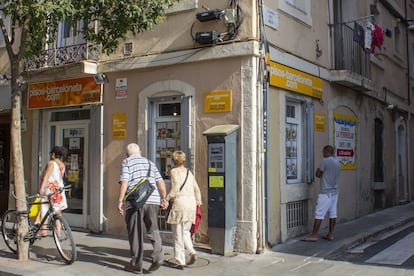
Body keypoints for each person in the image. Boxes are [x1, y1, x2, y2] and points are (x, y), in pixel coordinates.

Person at [117, 143, 168, 274]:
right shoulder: (150, 162)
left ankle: (136, 265)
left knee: (135, 233)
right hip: (153, 199)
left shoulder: (127, 162)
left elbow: (124, 180)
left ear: (127, 154)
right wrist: (164, 198)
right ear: (140, 152)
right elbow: (160, 181)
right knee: (153, 229)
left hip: (135, 202)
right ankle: (158, 256)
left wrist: (120, 200)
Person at [166, 151, 202, 269]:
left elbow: (175, 187)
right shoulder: (189, 172)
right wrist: (198, 202)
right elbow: (196, 189)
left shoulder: (174, 171)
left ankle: (180, 260)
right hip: (191, 204)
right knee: (185, 231)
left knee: (177, 234)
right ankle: (192, 251)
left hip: (180, 204)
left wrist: (166, 198)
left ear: (174, 160)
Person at [302, 145, 340, 242]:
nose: (322, 154)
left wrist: (321, 173)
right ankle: (331, 234)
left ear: (327, 152)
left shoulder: (325, 161)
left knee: (319, 213)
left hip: (325, 192)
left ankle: (314, 235)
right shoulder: (337, 162)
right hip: (335, 192)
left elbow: (318, 174)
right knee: (333, 213)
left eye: (323, 152)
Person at [38, 145, 68, 236]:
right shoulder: (62, 165)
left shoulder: (51, 163)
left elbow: (46, 176)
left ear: (53, 154)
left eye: (51, 153)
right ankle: (58, 232)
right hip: (59, 190)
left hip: (50, 189)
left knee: (44, 208)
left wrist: (41, 188)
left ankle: (43, 230)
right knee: (57, 212)